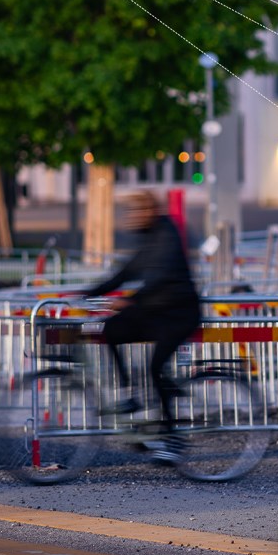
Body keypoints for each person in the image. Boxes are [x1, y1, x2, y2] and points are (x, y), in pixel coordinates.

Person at [82, 190, 201, 461]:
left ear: (149, 212)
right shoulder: (148, 239)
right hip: (158, 312)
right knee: (111, 330)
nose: (131, 218)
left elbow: (159, 277)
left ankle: (173, 440)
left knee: (156, 367)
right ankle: (129, 395)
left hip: (180, 313)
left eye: (136, 212)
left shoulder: (166, 235)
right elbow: (126, 273)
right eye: (130, 213)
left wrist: (129, 301)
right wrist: (88, 293)